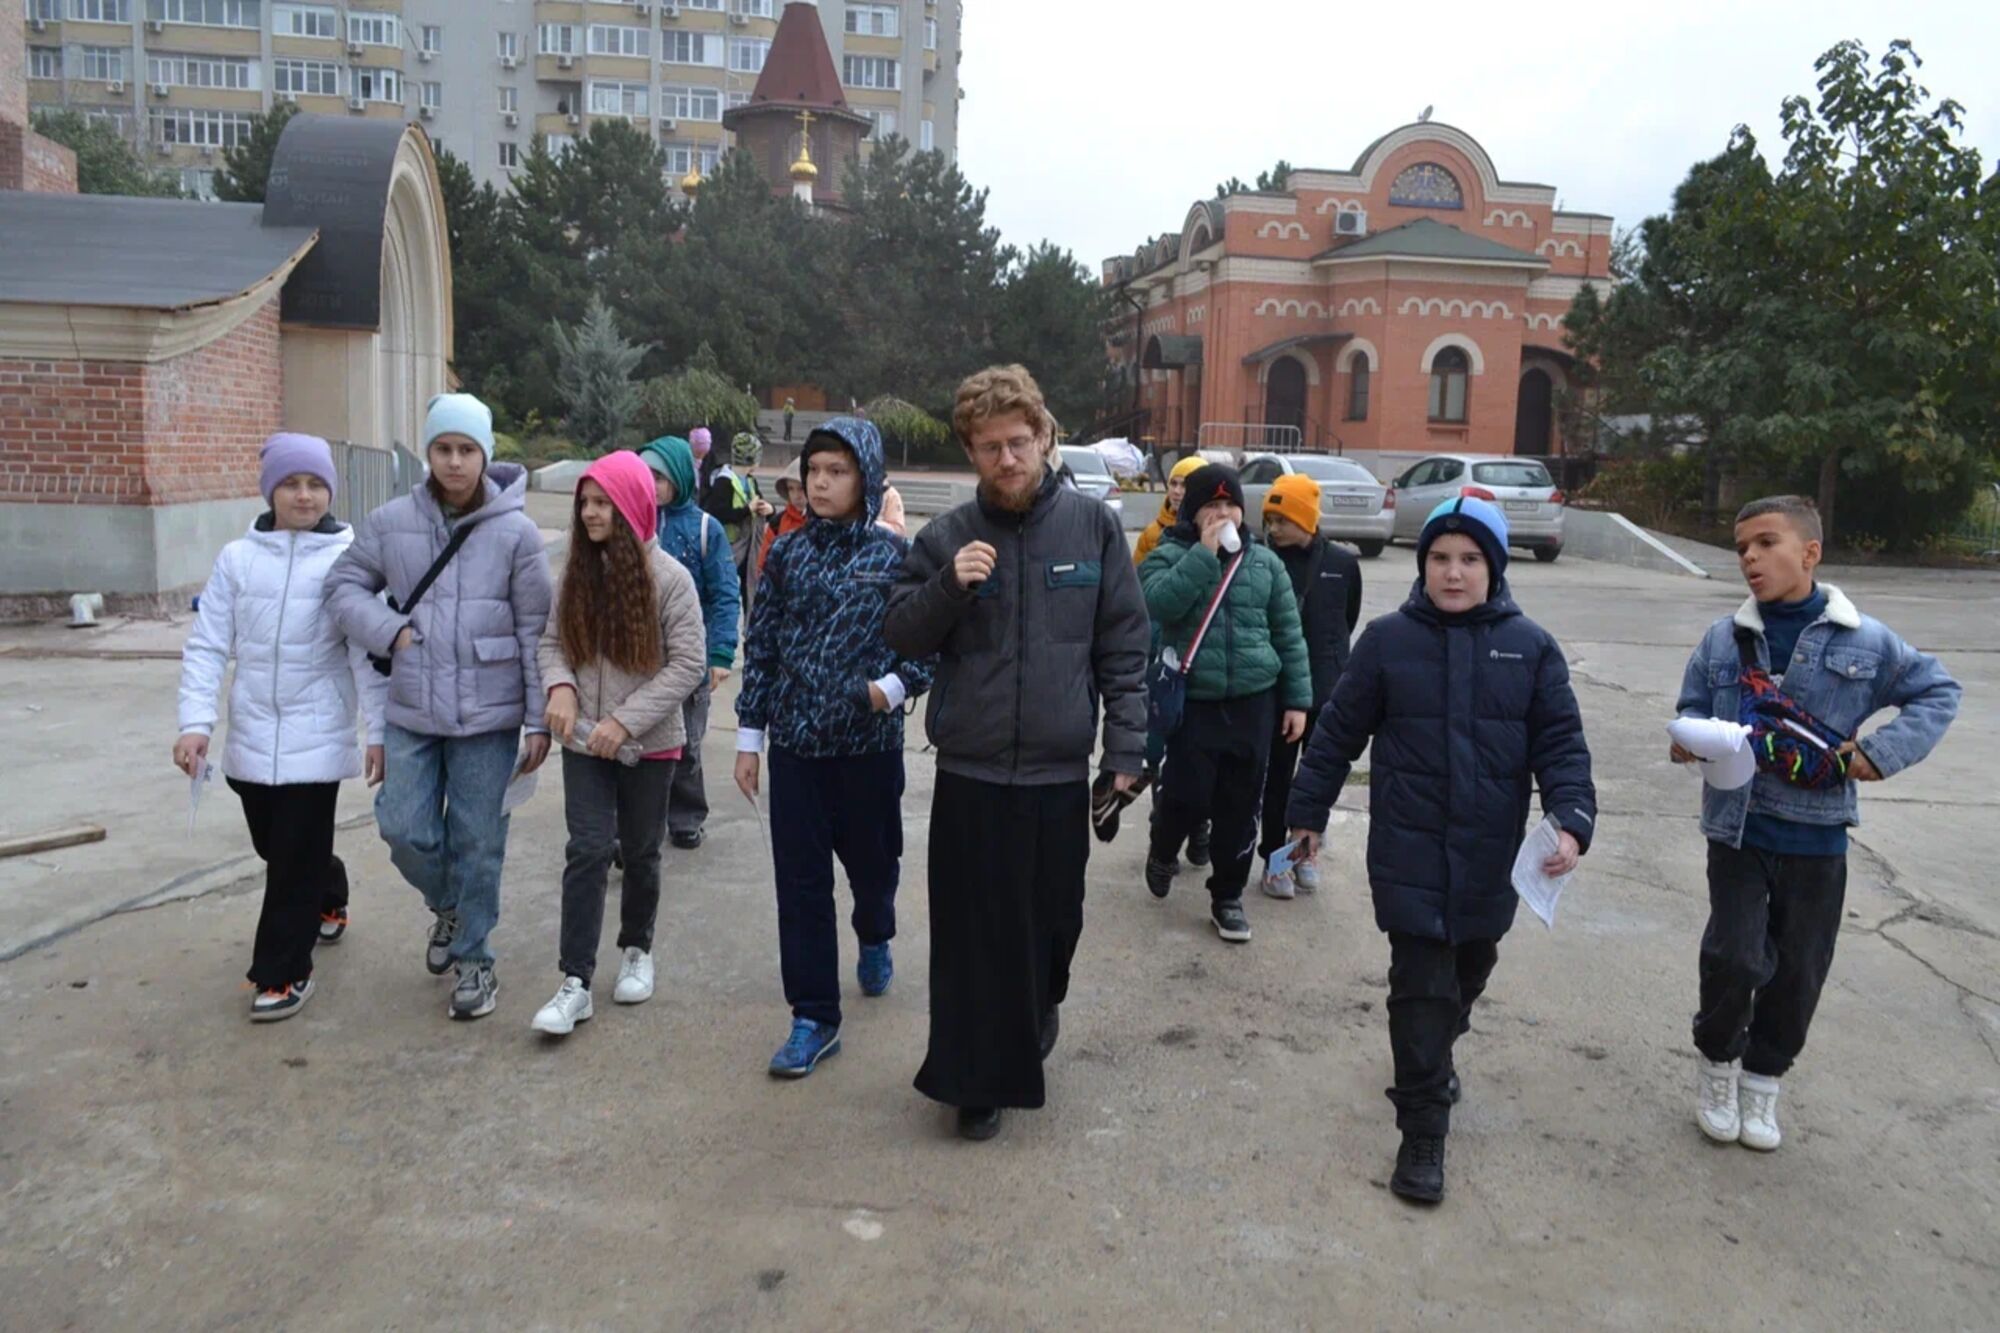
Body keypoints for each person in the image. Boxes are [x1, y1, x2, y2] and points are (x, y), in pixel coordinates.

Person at [1285, 496, 1596, 1204]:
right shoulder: (1387, 641)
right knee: (1420, 988)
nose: (1454, 573)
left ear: (1495, 567)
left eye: (1470, 559)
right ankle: (1423, 1128)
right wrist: (1307, 813)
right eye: (1440, 559)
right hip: (1410, 849)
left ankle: (1439, 1044)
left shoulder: (1531, 647)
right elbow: (1337, 734)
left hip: (1490, 854)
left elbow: (1562, 746)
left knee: (1468, 970)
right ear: (1422, 566)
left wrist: (1573, 819)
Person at [885, 364, 1150, 1141]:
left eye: (1018, 442)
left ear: (1043, 437)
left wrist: (1126, 748)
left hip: (1057, 775)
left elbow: (1124, 645)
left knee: (1053, 925)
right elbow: (900, 632)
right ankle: (975, 1081)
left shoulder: (1094, 529)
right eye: (989, 446)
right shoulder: (945, 537)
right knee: (973, 937)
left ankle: (1038, 1009)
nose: (1006, 459)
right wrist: (949, 587)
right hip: (971, 773)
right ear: (971, 451)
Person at [1674, 496, 1958, 1152]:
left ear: (1810, 553)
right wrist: (1688, 736)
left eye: (1765, 543)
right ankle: (1718, 1064)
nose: (1749, 558)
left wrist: (1880, 753)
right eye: (1741, 547)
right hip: (1738, 831)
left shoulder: (1866, 640)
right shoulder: (1724, 638)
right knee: (1734, 957)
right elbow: (1692, 703)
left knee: (1800, 970)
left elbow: (1938, 690)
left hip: (1817, 837)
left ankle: (1763, 1080)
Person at [327, 393, 553, 1021]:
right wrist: (390, 631)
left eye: (467, 449)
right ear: (428, 452)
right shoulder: (390, 521)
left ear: (485, 454)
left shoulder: (516, 533)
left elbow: (536, 628)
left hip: (490, 713)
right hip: (413, 707)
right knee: (402, 826)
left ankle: (476, 958)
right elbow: (342, 587)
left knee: (479, 840)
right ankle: (450, 906)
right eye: (443, 448)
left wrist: (539, 719)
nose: (455, 461)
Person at [734, 419, 935, 1078]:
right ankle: (814, 1017)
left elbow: (930, 645)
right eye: (813, 470)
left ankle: (875, 933)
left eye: (837, 471)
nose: (820, 483)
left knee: (874, 869)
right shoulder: (786, 554)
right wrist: (750, 737)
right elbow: (762, 645)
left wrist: (888, 689)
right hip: (795, 748)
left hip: (867, 750)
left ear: (866, 478)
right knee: (801, 886)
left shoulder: (896, 556)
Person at [175, 433, 386, 1021]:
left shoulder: (351, 559)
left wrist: (379, 731)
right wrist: (195, 723)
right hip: (251, 733)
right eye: (291, 484)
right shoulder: (237, 560)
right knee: (277, 846)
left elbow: (366, 654)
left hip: (316, 733)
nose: (304, 495)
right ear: (271, 490)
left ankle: (283, 972)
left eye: (316, 484)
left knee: (291, 858)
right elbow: (208, 645)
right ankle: (329, 889)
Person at [529, 452, 706, 1037]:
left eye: (603, 502)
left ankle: (636, 948)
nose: (590, 513)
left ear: (631, 507)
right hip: (583, 742)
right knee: (586, 849)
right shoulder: (575, 575)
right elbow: (552, 642)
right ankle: (574, 981)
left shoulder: (671, 580)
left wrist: (626, 723)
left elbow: (688, 664)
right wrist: (560, 687)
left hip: (649, 747)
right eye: (585, 502)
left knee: (641, 850)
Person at [1138, 464, 1311, 944]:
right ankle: (1163, 846)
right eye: (1211, 506)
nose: (1222, 514)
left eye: (1230, 505)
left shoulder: (1266, 564)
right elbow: (1158, 605)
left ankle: (1227, 896)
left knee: (1240, 803)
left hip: (1254, 701)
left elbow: (1289, 634)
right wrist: (1203, 555)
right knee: (1186, 793)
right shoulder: (1167, 555)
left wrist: (1297, 700)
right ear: (1192, 513)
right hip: (1195, 700)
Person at [1256, 474, 1362, 899]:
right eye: (1270, 519)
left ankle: (1303, 853)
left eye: (1282, 519)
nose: (1274, 528)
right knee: (1278, 781)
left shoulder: (1342, 564)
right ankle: (1274, 861)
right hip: (1277, 692)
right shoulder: (1263, 560)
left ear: (1305, 518)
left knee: (1316, 781)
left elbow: (1348, 617)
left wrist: (1332, 664)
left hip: (1327, 692)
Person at [636, 435, 741, 851]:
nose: (651, 484)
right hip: (639, 660)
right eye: (644, 475)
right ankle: (639, 819)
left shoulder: (704, 528)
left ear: (680, 477)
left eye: (659, 477)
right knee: (638, 743)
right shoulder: (630, 523)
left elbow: (724, 593)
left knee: (686, 744)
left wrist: (720, 653)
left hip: (688, 659)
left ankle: (686, 816)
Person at [1134, 455, 1204, 567]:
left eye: (1184, 485)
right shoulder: (1150, 534)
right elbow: (1136, 574)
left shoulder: (1213, 533)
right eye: (1173, 483)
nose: (1177, 491)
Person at [757, 456, 808, 575]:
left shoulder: (827, 521)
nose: (796, 495)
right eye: (791, 489)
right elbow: (763, 564)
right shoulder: (777, 523)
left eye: (801, 488)